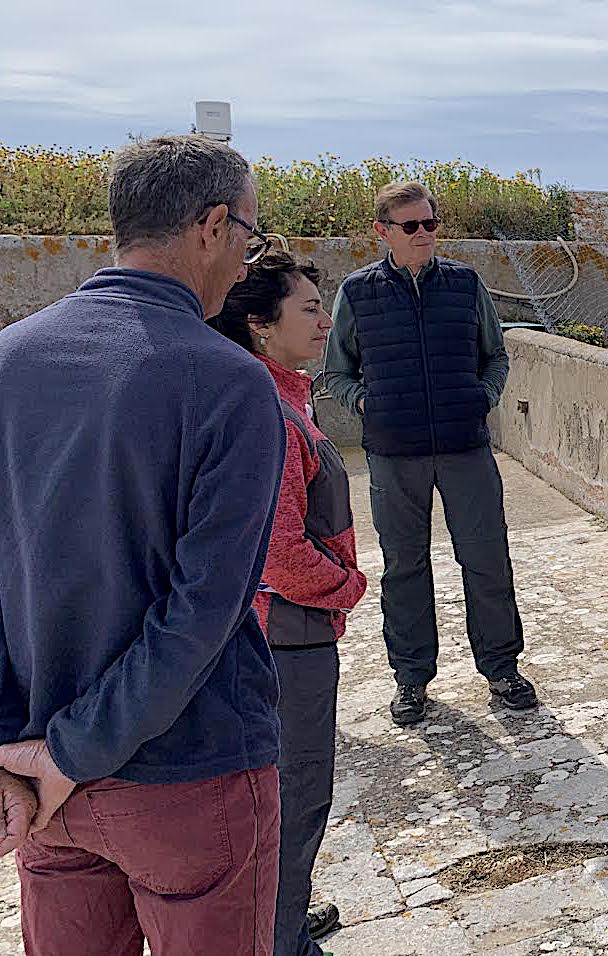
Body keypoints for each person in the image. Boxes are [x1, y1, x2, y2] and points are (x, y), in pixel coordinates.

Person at [0, 135, 285, 954]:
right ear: (212, 226)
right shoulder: (230, 382)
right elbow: (201, 613)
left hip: (40, 779)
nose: (244, 264)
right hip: (187, 776)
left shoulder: (10, 361)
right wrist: (75, 751)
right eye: (247, 238)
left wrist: (21, 753)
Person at [319, 181, 537, 726]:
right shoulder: (358, 292)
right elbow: (336, 371)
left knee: (487, 560)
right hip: (394, 453)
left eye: (430, 223)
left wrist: (482, 398)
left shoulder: (465, 284)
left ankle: (502, 669)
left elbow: (496, 356)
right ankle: (411, 678)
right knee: (404, 567)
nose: (424, 234)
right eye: (411, 225)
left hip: (466, 447)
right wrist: (365, 403)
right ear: (383, 231)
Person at [209, 252, 367, 956]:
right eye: (308, 308)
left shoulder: (277, 395)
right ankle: (280, 940)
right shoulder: (268, 411)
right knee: (296, 795)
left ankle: (283, 918)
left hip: (279, 632)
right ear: (261, 326)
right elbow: (277, 553)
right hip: (286, 636)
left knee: (281, 794)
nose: (325, 321)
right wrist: (347, 588)